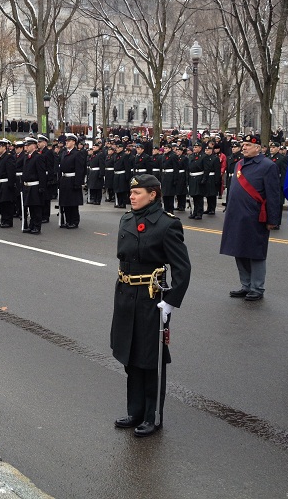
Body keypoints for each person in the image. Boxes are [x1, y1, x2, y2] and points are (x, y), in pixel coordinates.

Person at [111, 174, 191, 438]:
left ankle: (151, 416)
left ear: (153, 194)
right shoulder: (126, 219)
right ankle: (134, 411)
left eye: (138, 193)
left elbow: (182, 268)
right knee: (130, 355)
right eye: (131, 193)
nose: (131, 197)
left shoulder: (168, 225)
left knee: (149, 358)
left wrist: (170, 301)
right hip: (125, 294)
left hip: (150, 297)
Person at [220, 136, 281, 301]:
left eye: (248, 145)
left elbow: (274, 195)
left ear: (258, 148)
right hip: (236, 216)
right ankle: (246, 285)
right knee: (238, 251)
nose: (244, 147)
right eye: (243, 145)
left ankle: (257, 287)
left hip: (255, 217)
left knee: (256, 254)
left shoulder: (268, 166)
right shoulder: (239, 165)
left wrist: (272, 220)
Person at [58, 133, 85, 229]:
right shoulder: (64, 153)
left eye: (68, 141)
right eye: (66, 141)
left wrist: (78, 183)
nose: (67, 142)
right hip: (65, 179)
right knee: (65, 202)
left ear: (74, 142)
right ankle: (68, 220)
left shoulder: (77, 153)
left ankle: (74, 221)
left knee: (73, 203)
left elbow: (79, 169)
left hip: (72, 179)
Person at [0, 139, 16, 228]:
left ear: (4, 147)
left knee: (7, 203)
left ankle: (8, 221)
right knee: (1, 203)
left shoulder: (8, 157)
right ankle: (3, 220)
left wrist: (10, 184)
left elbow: (10, 172)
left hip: (6, 183)